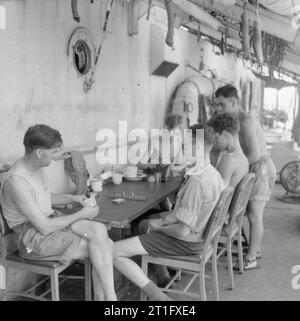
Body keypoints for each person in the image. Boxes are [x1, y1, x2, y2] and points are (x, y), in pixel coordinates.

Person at [0, 124, 116, 300]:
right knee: (103, 247)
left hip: (49, 222)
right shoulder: (16, 181)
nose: (56, 157)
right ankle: (109, 300)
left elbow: (42, 197)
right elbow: (44, 227)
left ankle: (106, 299)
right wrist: (81, 214)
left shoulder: (33, 166)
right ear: (39, 153)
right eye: (54, 152)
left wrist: (72, 198)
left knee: (99, 231)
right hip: (33, 237)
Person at [113, 124, 226, 300]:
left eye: (185, 144)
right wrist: (163, 221)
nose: (181, 148)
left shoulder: (197, 182)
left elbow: (182, 231)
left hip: (185, 242)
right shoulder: (213, 174)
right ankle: (163, 277)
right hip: (199, 237)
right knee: (145, 223)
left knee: (113, 251)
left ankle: (159, 297)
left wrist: (157, 228)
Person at [213, 84, 277, 270]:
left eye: (221, 104)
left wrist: (236, 169)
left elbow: (255, 155)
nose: (218, 108)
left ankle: (251, 259)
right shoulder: (233, 120)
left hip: (260, 169)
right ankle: (254, 250)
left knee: (254, 214)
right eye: (216, 104)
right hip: (253, 168)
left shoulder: (246, 121)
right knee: (249, 213)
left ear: (233, 102)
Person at [208, 112, 249, 188]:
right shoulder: (244, 159)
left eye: (216, 138)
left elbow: (220, 192)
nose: (215, 143)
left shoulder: (228, 159)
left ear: (225, 134)